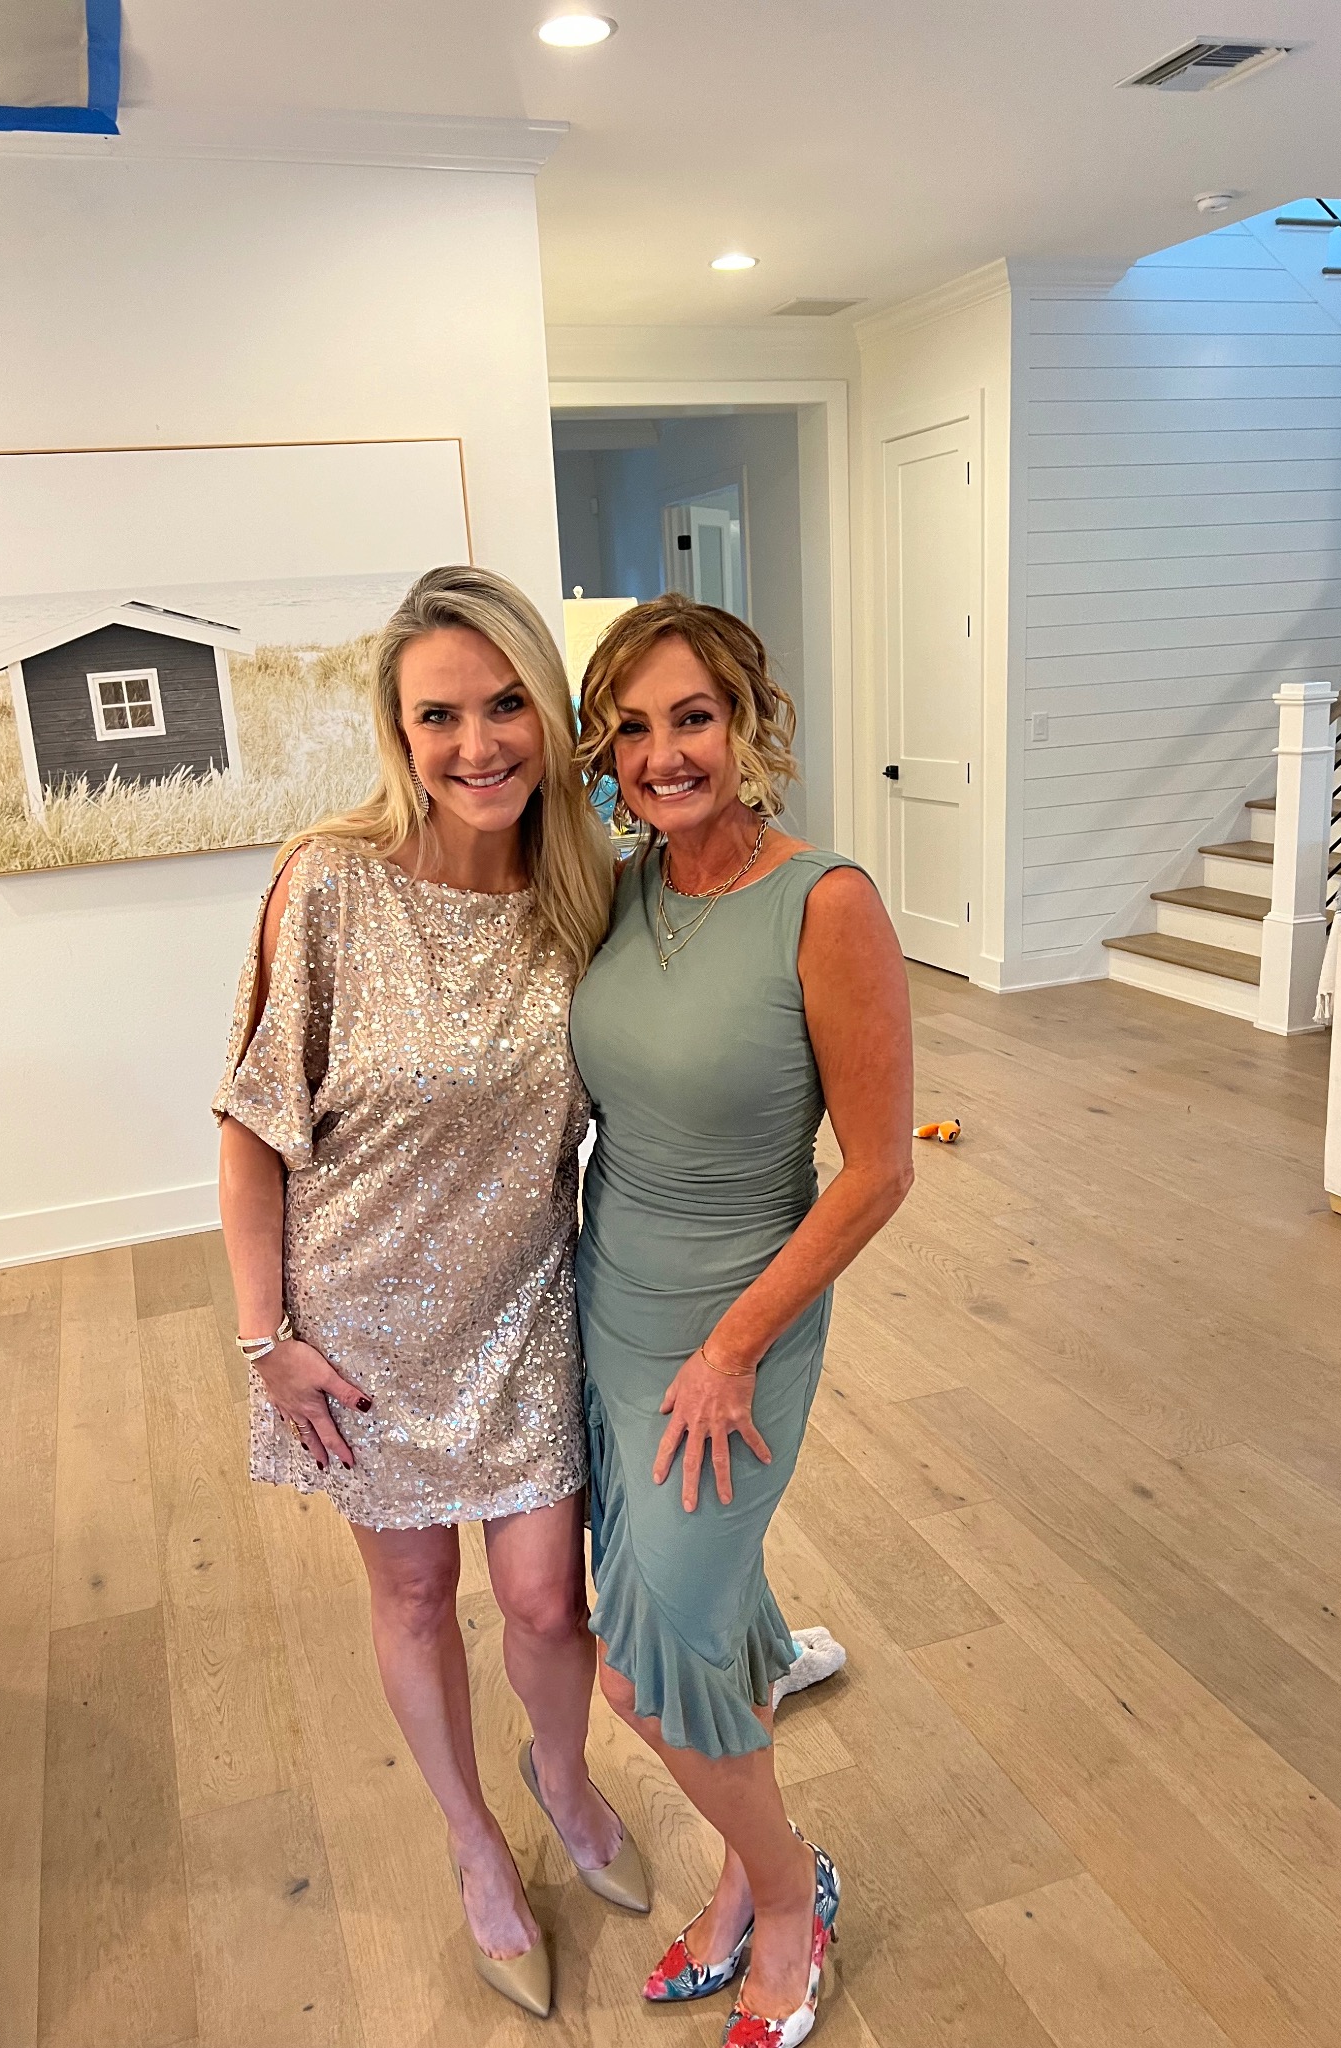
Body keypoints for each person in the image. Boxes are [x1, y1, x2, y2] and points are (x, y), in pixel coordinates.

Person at [214, 565, 649, 2020]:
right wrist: (266, 1339)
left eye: (507, 703)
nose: (478, 744)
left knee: (546, 1603)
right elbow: (253, 1124)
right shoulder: (328, 882)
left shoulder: (586, 895)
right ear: (398, 733)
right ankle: (474, 1845)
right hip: (359, 1331)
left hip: (526, 1308)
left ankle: (563, 1781)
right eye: (439, 716)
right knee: (412, 1593)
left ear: (551, 714)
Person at [572, 594, 915, 2048]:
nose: (665, 755)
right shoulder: (622, 889)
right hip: (611, 1303)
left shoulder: (825, 902)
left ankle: (786, 1894)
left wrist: (732, 1347)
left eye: (693, 718)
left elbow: (880, 1170)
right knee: (688, 1612)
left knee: (640, 1662)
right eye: (633, 729)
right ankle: (741, 1863)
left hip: (740, 1329)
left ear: (747, 725)